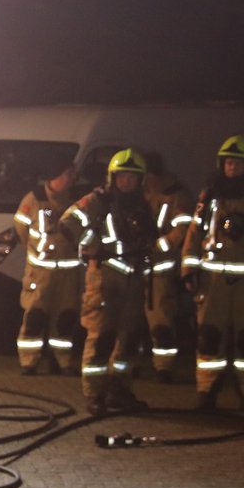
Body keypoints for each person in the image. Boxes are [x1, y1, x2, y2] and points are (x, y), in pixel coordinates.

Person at [180, 134, 244, 414]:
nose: (232, 168)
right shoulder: (209, 196)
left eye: (238, 163)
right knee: (209, 337)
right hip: (213, 281)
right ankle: (207, 391)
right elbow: (194, 233)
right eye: (228, 162)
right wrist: (188, 268)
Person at [60, 149, 157, 414]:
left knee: (128, 339)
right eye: (122, 177)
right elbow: (68, 222)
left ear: (140, 180)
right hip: (105, 276)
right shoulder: (98, 201)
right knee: (101, 337)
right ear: (113, 178)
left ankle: (120, 390)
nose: (127, 182)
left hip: (134, 277)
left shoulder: (141, 204)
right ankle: (95, 394)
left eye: (132, 178)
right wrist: (93, 246)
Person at [12, 161, 82, 375]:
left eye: (71, 174)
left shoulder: (77, 199)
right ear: (53, 177)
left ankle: (62, 361)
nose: (69, 179)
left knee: (65, 318)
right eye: (65, 174)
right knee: (35, 317)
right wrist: (36, 251)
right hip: (40, 272)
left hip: (68, 273)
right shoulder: (34, 199)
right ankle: (28, 361)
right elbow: (21, 227)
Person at [140, 167, 194, 382]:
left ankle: (164, 367)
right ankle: (133, 363)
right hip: (137, 267)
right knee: (132, 321)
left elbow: (182, 229)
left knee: (161, 320)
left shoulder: (177, 196)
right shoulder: (141, 192)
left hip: (161, 269)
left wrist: (158, 246)